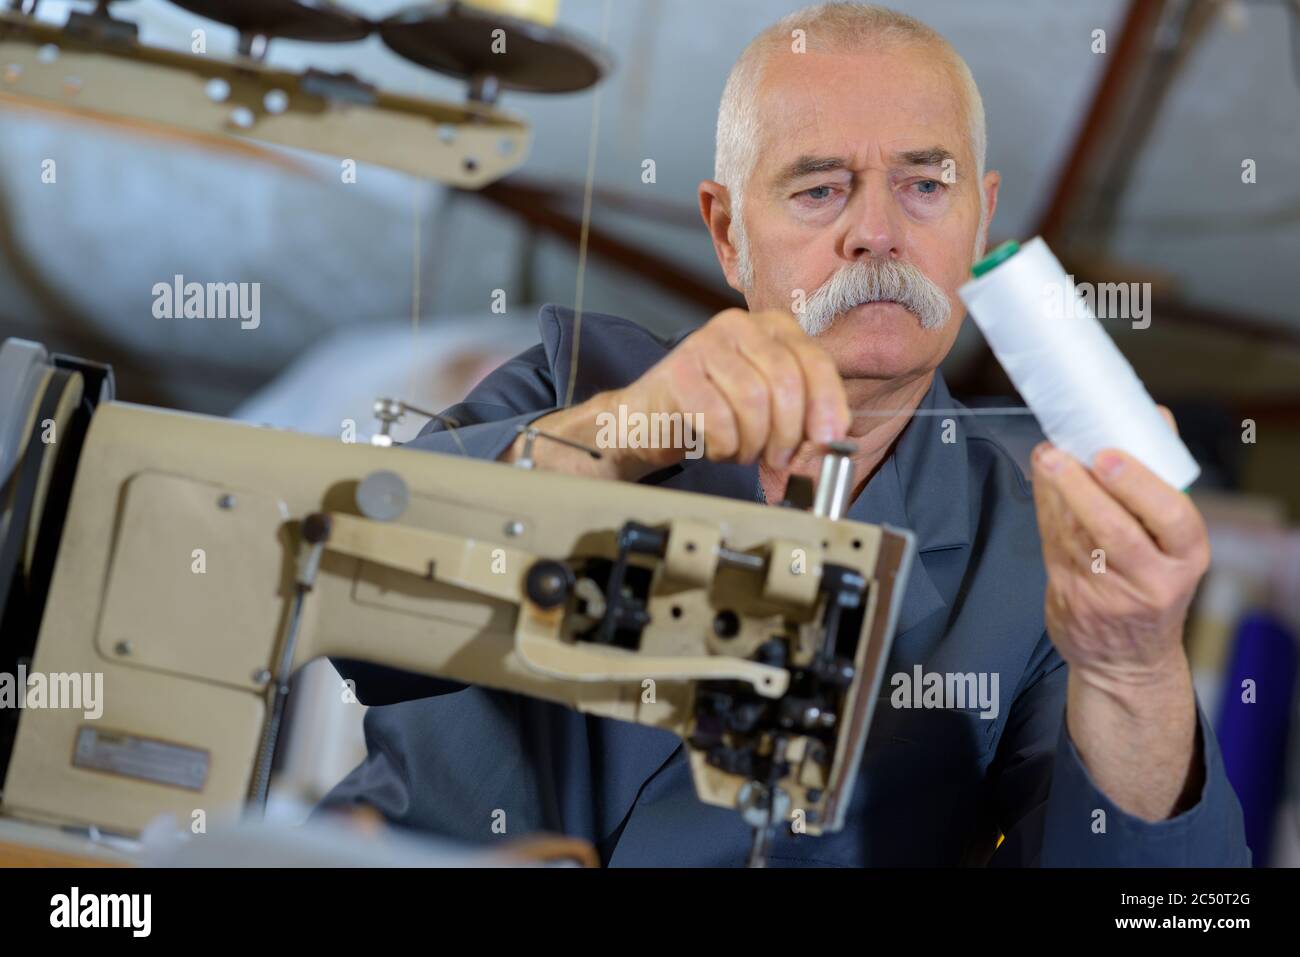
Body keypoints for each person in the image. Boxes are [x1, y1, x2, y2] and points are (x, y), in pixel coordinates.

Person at [320, 2, 1249, 866]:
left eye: (925, 184)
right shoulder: (570, 385)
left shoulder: (1034, 555)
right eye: (819, 190)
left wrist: (1134, 667)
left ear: (981, 218)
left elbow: (1160, 908)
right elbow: (353, 604)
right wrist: (625, 431)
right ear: (728, 233)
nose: (877, 232)